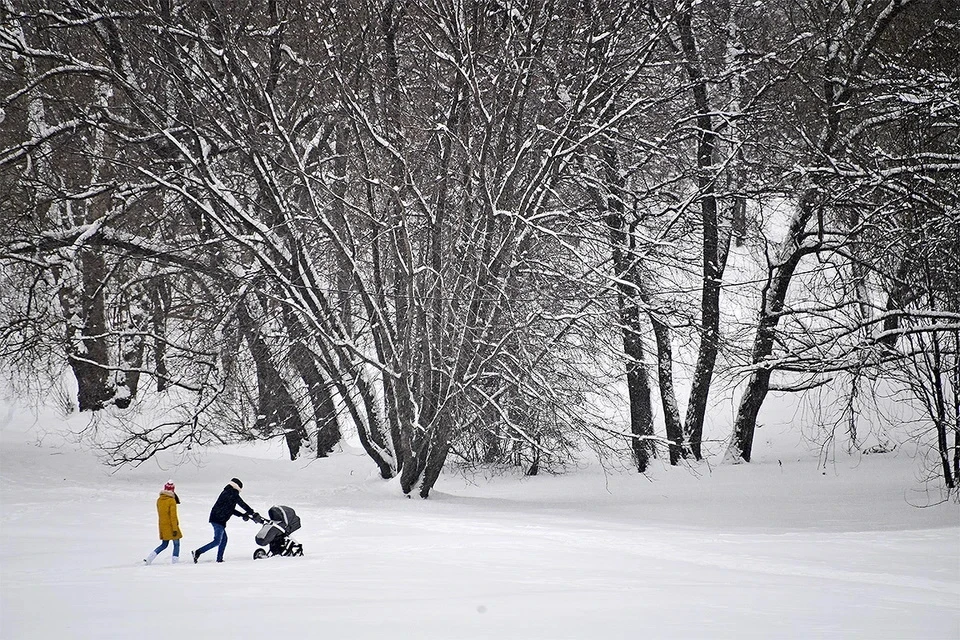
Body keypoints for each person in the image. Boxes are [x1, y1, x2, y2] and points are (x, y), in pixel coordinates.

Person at [192, 478, 256, 563]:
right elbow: (242, 504)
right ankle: (198, 552)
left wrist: (242, 515)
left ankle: (219, 559)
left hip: (217, 518)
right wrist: (252, 512)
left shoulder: (227, 492)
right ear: (238, 487)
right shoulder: (232, 493)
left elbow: (230, 509)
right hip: (218, 519)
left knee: (224, 539)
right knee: (217, 541)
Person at [144, 480, 182, 564]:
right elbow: (173, 516)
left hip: (163, 526)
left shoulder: (159, 500)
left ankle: (149, 558)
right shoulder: (171, 501)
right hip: (172, 526)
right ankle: (175, 562)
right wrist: (175, 528)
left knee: (164, 545)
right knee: (176, 544)